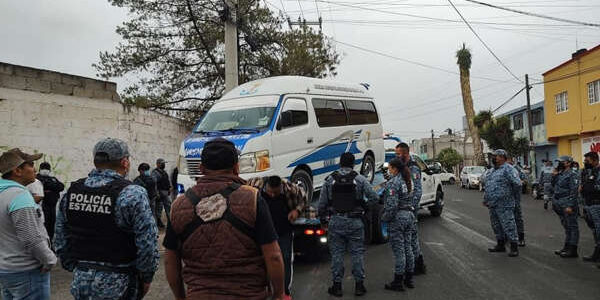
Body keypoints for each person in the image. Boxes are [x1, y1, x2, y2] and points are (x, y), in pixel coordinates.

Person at [164, 138, 285, 300]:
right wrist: (279, 295)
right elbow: (274, 256)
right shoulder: (252, 199)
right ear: (236, 168)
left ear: (201, 168)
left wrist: (180, 297)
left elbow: (170, 261)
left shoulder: (178, 205)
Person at [54, 138, 159, 299]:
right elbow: (148, 243)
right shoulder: (132, 193)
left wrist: (77, 268)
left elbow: (60, 238)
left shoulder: (71, 192)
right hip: (120, 283)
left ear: (95, 161)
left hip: (81, 281)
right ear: (125, 162)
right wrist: (146, 277)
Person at [317, 152, 379, 297]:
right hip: (355, 221)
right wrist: (364, 208)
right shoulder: (360, 179)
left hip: (336, 221)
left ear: (340, 163)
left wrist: (323, 219)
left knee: (337, 254)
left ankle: (337, 286)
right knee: (357, 253)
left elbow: (321, 205)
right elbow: (374, 198)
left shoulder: (329, 180)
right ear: (353, 164)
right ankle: (359, 286)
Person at [0, 149, 56, 300]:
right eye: (31, 164)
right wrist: (49, 259)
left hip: (6, 270)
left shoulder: (2, 192)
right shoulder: (19, 195)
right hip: (27, 272)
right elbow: (31, 237)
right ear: (17, 170)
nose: (35, 169)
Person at [248, 175, 307, 300]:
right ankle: (266, 290)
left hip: (284, 231)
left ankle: (285, 291)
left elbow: (304, 199)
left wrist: (297, 210)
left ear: (281, 188)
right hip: (263, 233)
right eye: (271, 193)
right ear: (266, 188)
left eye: (276, 192)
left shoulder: (290, 189)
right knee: (262, 261)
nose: (273, 195)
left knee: (285, 260)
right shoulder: (254, 187)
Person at [382, 158, 415, 292]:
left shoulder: (393, 183)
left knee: (399, 251)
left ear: (395, 169)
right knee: (408, 247)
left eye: (389, 168)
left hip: (398, 218)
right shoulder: (408, 180)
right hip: (409, 216)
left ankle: (398, 281)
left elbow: (392, 206)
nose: (388, 171)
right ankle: (409, 278)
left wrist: (385, 218)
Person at [395, 142, 427, 275]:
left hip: (410, 209)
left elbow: (417, 190)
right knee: (408, 238)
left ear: (405, 153)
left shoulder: (413, 167)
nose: (397, 156)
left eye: (398, 154)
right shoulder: (402, 167)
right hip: (403, 208)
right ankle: (414, 264)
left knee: (412, 237)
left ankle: (419, 265)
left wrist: (411, 207)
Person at [483, 149, 522, 257]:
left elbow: (517, 184)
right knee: (496, 225)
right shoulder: (491, 170)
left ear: (502, 157)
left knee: (509, 225)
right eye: (493, 156)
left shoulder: (508, 169)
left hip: (505, 204)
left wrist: (510, 196)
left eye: (496, 156)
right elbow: (488, 185)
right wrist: (486, 199)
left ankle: (514, 247)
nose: (493, 158)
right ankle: (500, 245)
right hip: (492, 203)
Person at [551, 155, 580, 258]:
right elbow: (553, 186)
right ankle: (567, 246)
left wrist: (570, 205)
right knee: (566, 226)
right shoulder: (560, 174)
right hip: (559, 204)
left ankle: (573, 249)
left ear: (568, 163)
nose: (559, 164)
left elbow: (574, 191)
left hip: (567, 203)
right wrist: (554, 176)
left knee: (572, 226)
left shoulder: (572, 174)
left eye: (561, 162)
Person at [37, 162, 65, 242]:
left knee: (51, 225)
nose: (45, 170)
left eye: (47, 169)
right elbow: (45, 185)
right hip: (42, 206)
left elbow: (61, 186)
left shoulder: (52, 178)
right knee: (44, 225)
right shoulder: (37, 178)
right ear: (40, 169)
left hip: (52, 206)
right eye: (43, 168)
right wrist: (52, 186)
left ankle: (50, 242)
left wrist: (50, 186)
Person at [580, 152, 600, 263]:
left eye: (588, 161)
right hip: (589, 205)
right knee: (595, 231)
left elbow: (596, 187)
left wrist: (588, 187)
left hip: (597, 204)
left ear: (595, 160)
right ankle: (597, 254)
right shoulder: (591, 171)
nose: (585, 163)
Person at [507, 157, 527, 247]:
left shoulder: (516, 169)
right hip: (504, 200)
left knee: (517, 218)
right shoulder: (499, 169)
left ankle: (521, 238)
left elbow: (524, 180)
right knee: (506, 219)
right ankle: (508, 237)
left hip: (515, 198)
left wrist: (517, 183)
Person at [152, 158, 171, 228]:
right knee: (159, 209)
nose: (163, 164)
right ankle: (158, 222)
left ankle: (170, 223)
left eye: (164, 163)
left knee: (168, 207)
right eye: (162, 163)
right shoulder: (155, 173)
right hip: (160, 193)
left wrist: (169, 187)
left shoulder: (164, 172)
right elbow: (154, 184)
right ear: (158, 164)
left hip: (165, 193)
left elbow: (167, 181)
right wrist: (156, 193)